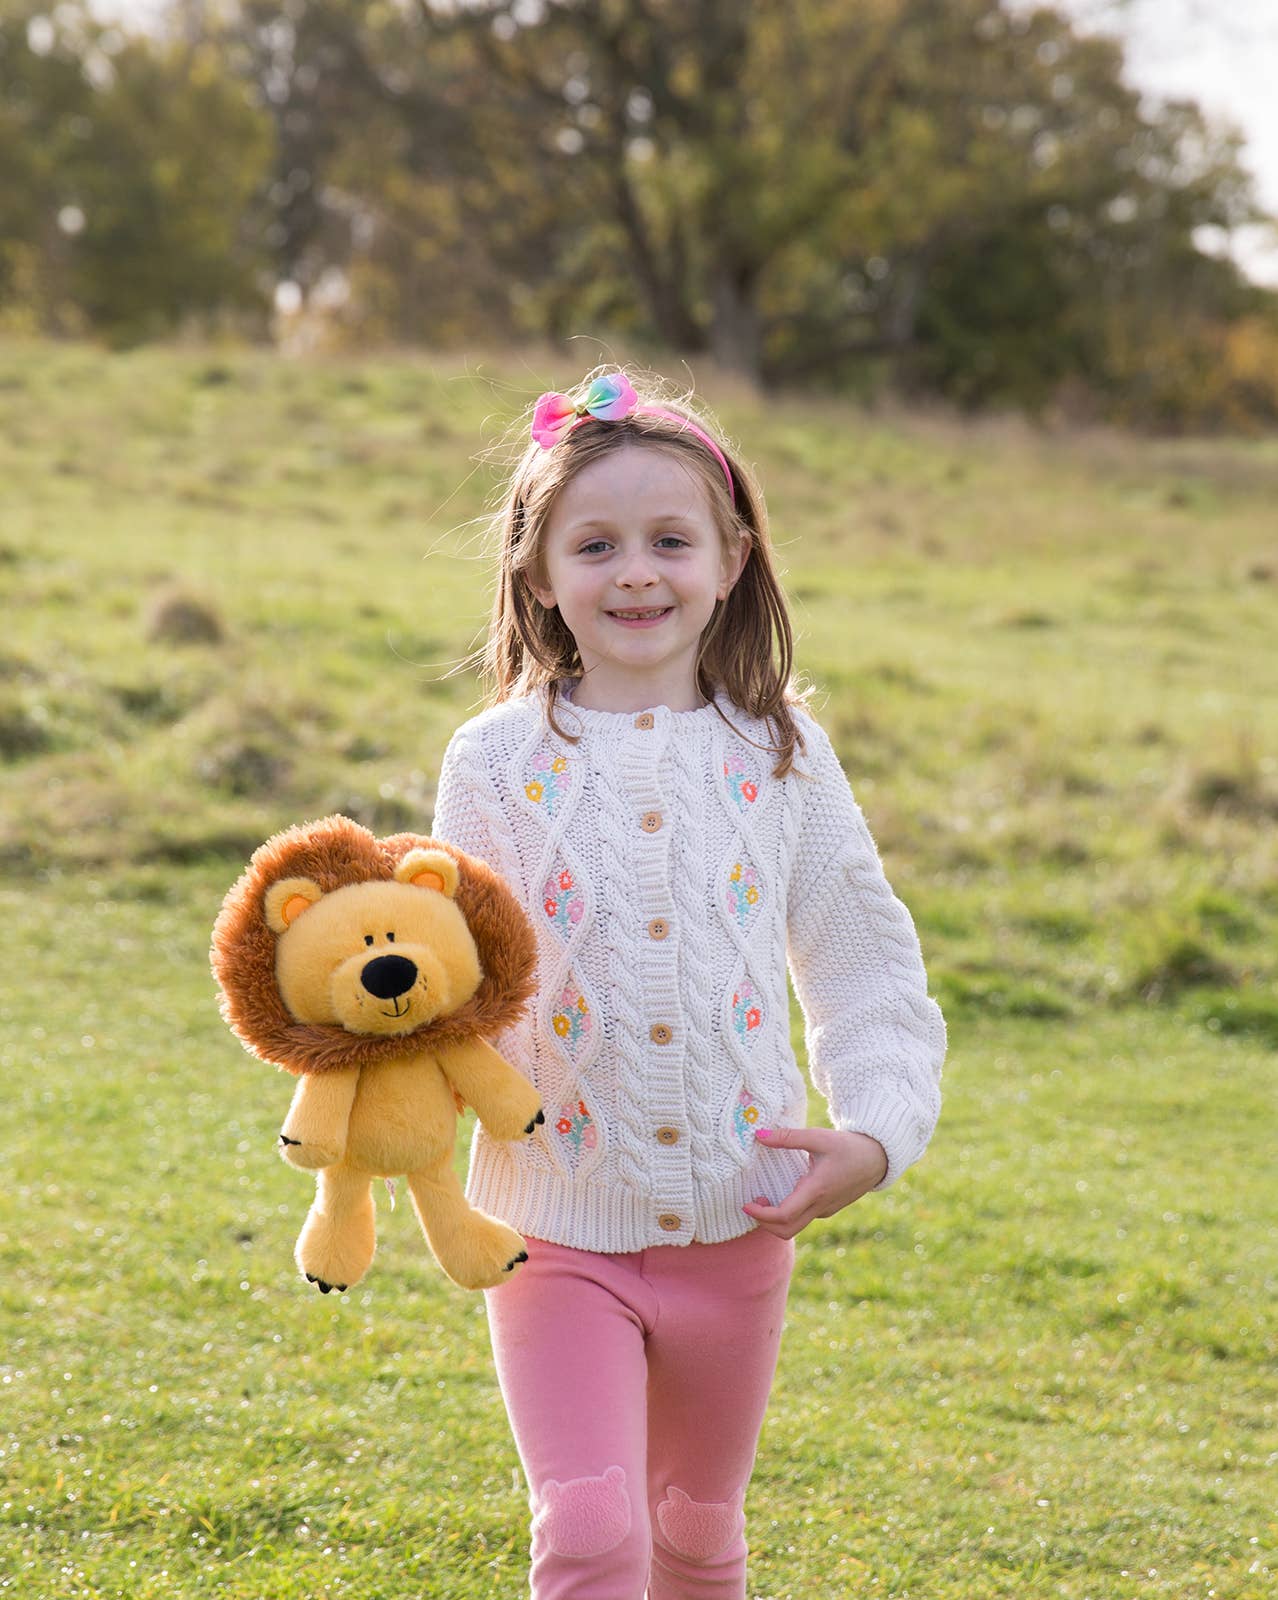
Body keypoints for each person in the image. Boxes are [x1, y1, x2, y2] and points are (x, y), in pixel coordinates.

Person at [430, 367, 946, 1600]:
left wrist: (876, 1135)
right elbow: (453, 980)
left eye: (670, 540)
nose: (636, 573)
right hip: (552, 1226)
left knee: (697, 1530)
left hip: (741, 1223)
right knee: (591, 1528)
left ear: (731, 559)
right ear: (538, 572)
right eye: (595, 545)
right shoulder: (494, 763)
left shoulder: (782, 756)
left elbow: (866, 964)